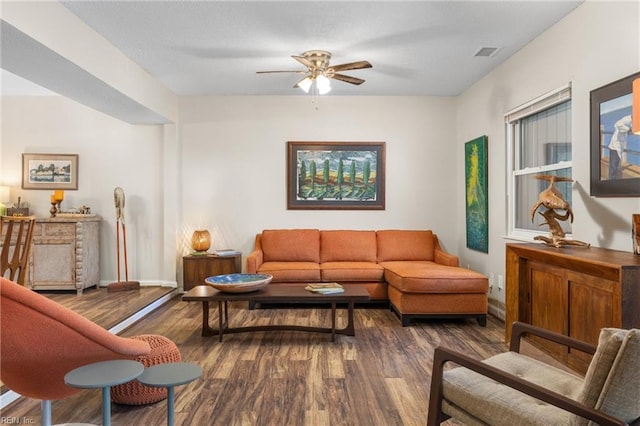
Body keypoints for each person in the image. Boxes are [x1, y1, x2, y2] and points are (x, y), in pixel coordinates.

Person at [608, 115, 632, 179]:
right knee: (613, 167)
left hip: (617, 146)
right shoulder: (627, 119)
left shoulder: (631, 120)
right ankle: (611, 184)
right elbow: (617, 124)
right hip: (615, 146)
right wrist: (628, 129)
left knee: (614, 166)